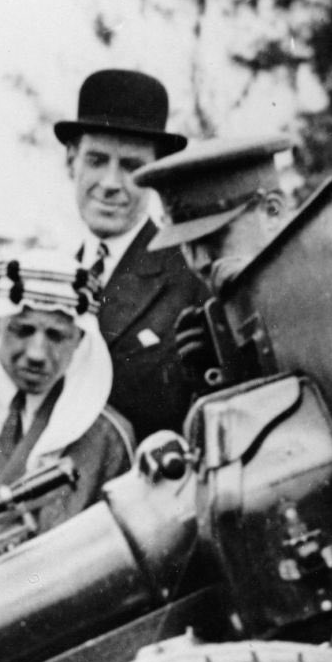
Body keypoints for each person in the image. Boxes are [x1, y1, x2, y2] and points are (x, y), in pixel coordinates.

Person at [132, 131, 332, 385]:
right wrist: (211, 382)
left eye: (213, 240)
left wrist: (279, 313)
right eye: (187, 246)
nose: (199, 262)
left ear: (272, 211)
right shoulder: (215, 325)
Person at [56, 69, 206, 445]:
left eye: (131, 167)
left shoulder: (191, 278)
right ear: (70, 161)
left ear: (157, 175)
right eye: (96, 160)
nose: (110, 184)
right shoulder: (55, 278)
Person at [0, 250, 131, 515]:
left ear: (80, 340)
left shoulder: (107, 437)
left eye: (56, 335)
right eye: (23, 330)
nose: (37, 353)